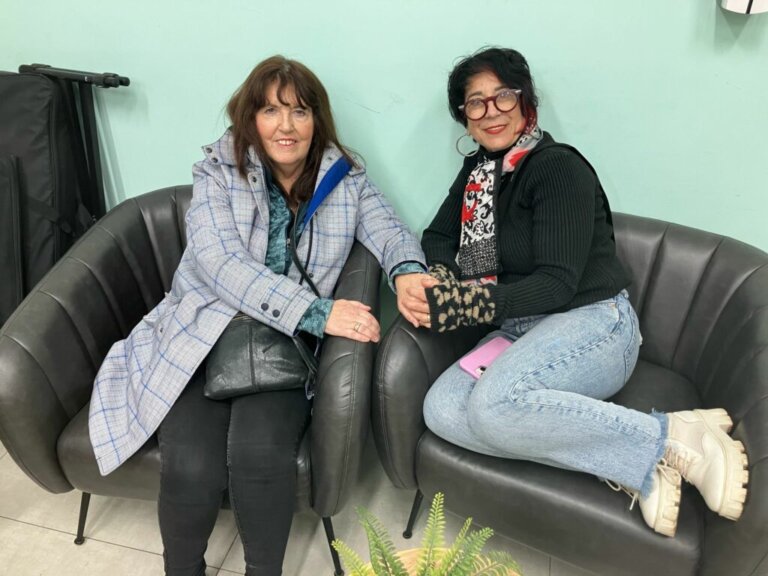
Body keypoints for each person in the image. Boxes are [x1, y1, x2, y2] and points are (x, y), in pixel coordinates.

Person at [88, 56, 429, 576]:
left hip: (280, 341)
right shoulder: (217, 173)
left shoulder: (346, 177)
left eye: (299, 111)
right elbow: (219, 262)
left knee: (261, 458)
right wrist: (316, 311)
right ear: (250, 117)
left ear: (317, 120)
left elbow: (389, 230)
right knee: (190, 465)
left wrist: (407, 271)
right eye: (270, 110)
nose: (285, 126)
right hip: (202, 329)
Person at [398, 47, 749, 538]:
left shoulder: (558, 167)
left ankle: (677, 436)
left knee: (493, 406)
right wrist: (437, 277)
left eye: (503, 96)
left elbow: (558, 283)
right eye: (475, 102)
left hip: (594, 322)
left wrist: (467, 305)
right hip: (519, 329)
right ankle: (636, 460)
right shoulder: (478, 173)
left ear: (526, 101)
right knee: (442, 410)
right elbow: (439, 235)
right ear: (465, 118)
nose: (490, 111)